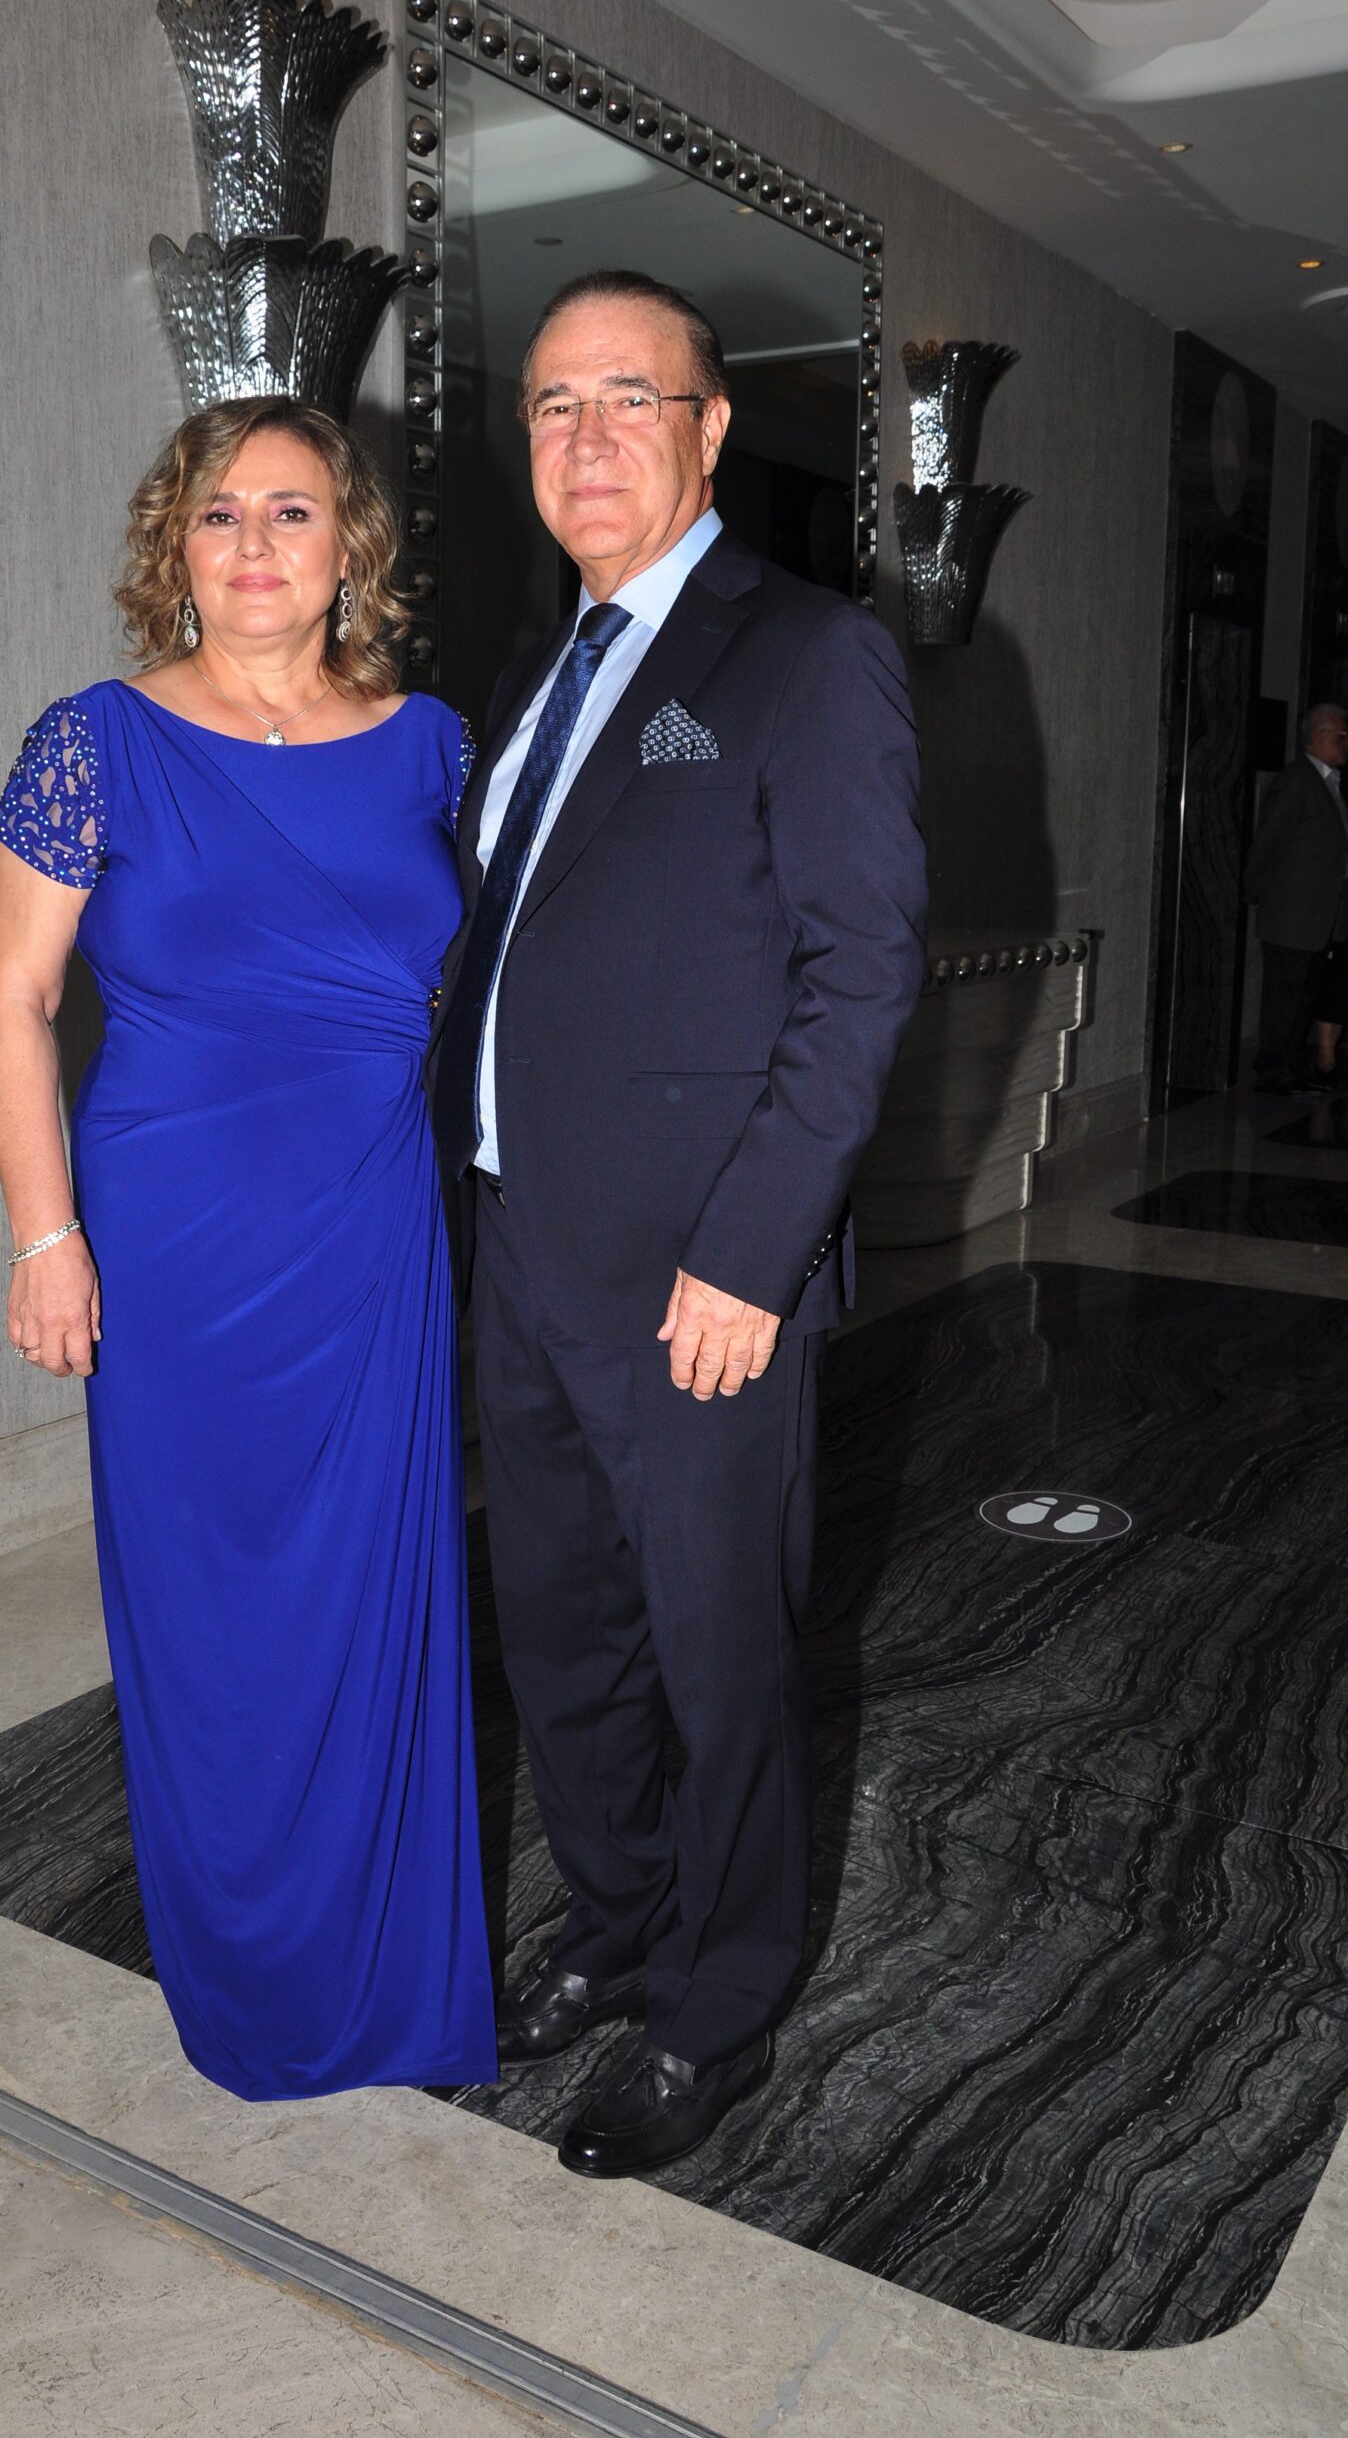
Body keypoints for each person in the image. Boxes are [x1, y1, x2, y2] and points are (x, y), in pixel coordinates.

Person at [428, 270, 927, 2179]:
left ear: (710, 430)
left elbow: (860, 976)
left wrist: (752, 1250)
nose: (585, 439)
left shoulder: (805, 654)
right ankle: (620, 1924)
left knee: (721, 1661)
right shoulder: (527, 682)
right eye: (553, 406)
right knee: (564, 1637)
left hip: (701, 1279)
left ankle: (718, 2004)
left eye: (628, 398)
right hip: (521, 1252)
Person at [0, 399, 496, 2100]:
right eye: (219, 514)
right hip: (173, 1235)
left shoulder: (435, 747)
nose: (254, 544)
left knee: (374, 1596)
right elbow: (10, 1001)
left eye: (290, 510)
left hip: (371, 1230)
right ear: (173, 551)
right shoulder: (94, 742)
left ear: (352, 548)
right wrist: (44, 1235)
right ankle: (255, 1982)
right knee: (211, 1616)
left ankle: (391, 1983)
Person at [1246, 702, 1348, 1093]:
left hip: (1318, 918)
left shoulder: (1328, 782)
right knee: (1284, 1000)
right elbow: (1268, 842)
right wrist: (1255, 891)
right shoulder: (1297, 781)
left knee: (1302, 1000)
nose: (1345, 744)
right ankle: (1273, 1073)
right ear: (1319, 736)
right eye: (1341, 736)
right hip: (1292, 916)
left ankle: (1292, 1067)